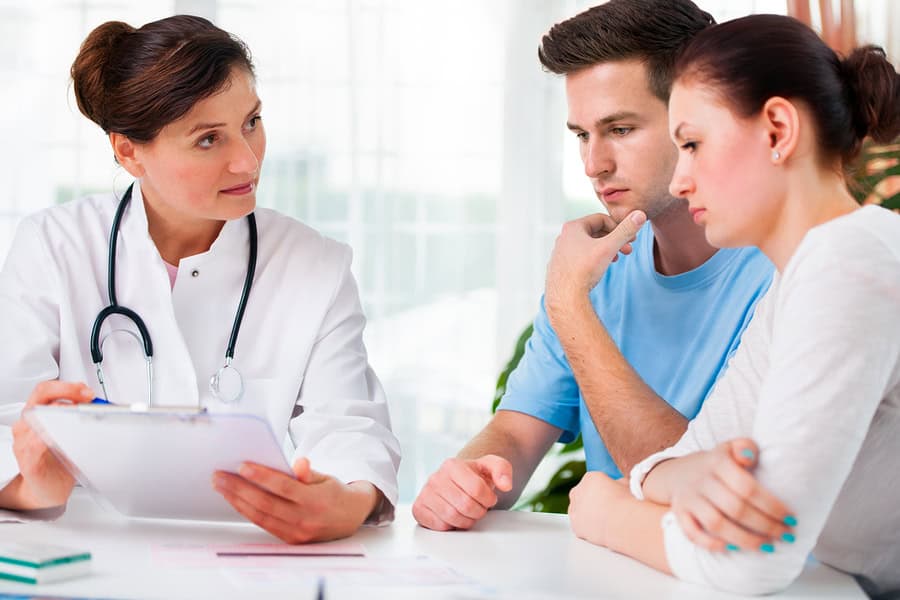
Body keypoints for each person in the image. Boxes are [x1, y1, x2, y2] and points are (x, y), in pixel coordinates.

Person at [0, 15, 400, 543]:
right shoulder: (54, 247)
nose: (247, 160)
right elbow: (9, 418)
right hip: (84, 547)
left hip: (246, 549)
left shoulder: (315, 264)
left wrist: (346, 503)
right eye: (209, 139)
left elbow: (350, 426)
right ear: (127, 151)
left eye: (251, 122)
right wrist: (34, 486)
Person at [567, 14, 900, 598]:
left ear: (777, 129)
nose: (683, 179)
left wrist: (603, 509)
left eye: (693, 144)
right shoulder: (797, 278)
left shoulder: (851, 262)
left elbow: (754, 558)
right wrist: (689, 473)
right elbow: (681, 458)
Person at [413, 0, 773, 532]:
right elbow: (516, 432)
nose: (593, 164)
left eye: (620, 130)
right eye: (582, 134)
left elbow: (694, 487)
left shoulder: (782, 269)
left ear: (697, 119)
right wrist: (468, 480)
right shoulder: (600, 267)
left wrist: (567, 302)